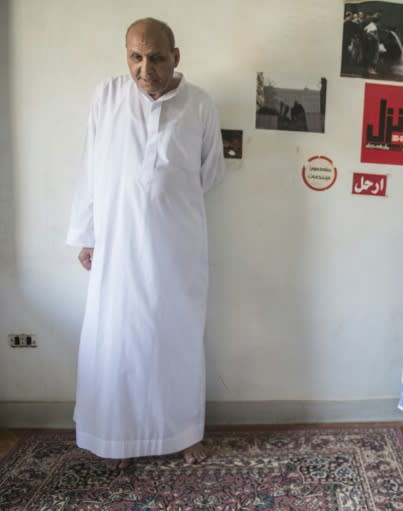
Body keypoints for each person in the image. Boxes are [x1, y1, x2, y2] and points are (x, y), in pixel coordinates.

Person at [66, 17, 225, 470]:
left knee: (176, 340)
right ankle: (115, 439)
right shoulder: (107, 96)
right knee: (118, 341)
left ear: (175, 57)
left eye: (155, 57)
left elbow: (209, 172)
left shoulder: (200, 105)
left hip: (177, 248)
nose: (144, 67)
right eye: (135, 56)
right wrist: (86, 234)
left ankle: (182, 434)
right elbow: (89, 168)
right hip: (117, 246)